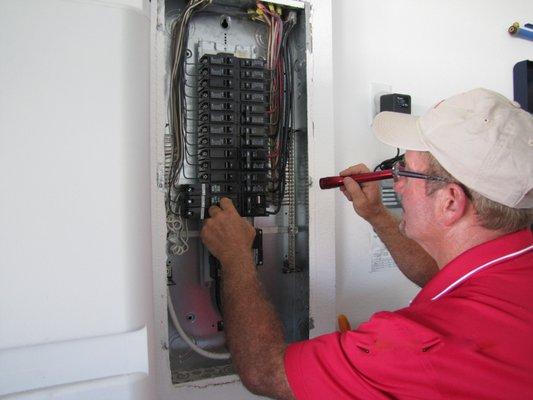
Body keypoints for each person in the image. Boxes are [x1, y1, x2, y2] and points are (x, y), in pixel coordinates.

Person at [200, 88, 533, 399]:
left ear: (450, 202)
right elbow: (441, 279)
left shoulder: (419, 347)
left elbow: (266, 372)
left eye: (405, 169)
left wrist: (235, 258)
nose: (396, 181)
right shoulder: (513, 267)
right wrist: (376, 215)